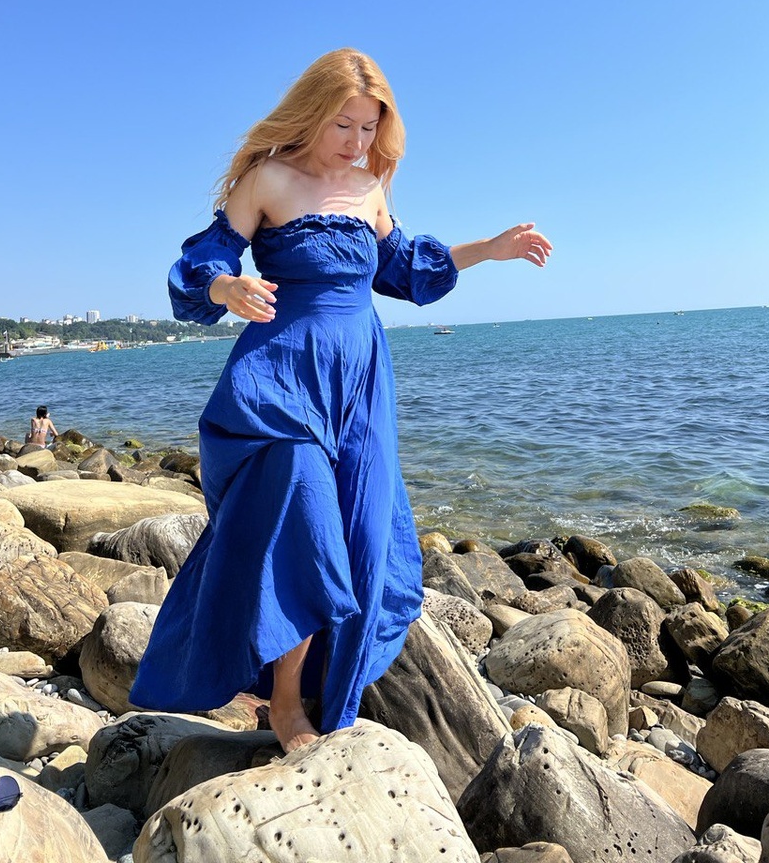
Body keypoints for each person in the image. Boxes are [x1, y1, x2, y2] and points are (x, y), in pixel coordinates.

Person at [130, 48, 551, 752]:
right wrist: (226, 288)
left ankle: (335, 695)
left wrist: (490, 248)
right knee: (306, 520)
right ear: (313, 113)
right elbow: (204, 262)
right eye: (344, 125)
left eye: (369, 127)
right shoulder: (269, 178)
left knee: (361, 532)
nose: (357, 141)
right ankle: (284, 702)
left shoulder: (369, 188)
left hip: (359, 380)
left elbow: (405, 270)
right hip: (280, 377)